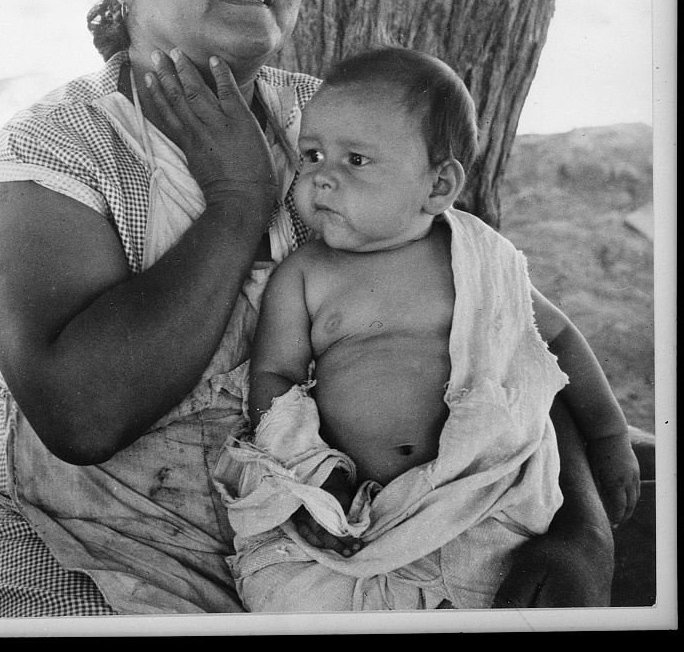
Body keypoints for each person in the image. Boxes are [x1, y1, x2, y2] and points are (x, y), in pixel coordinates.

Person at [0, 0, 615, 618]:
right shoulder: (57, 152)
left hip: (341, 558)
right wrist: (236, 199)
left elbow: (489, 323)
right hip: (91, 569)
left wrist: (583, 532)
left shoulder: (330, 123)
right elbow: (81, 417)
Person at [215, 47, 640, 612]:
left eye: (356, 161)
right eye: (312, 156)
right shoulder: (305, 275)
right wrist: (311, 475)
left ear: (438, 187)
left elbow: (554, 340)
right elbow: (274, 376)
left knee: (505, 590)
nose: (321, 179)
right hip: (352, 507)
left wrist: (610, 436)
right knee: (299, 594)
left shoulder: (476, 257)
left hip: (480, 493)